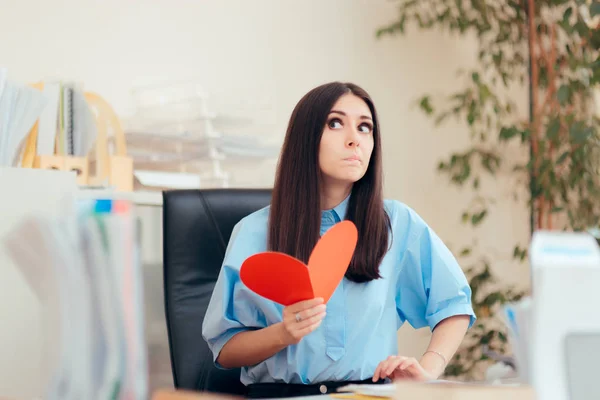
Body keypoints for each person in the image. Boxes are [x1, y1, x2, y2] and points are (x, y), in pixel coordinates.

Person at [202, 81, 476, 398]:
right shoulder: (253, 231)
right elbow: (224, 349)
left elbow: (453, 304)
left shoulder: (397, 223)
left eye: (365, 128)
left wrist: (428, 369)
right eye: (336, 123)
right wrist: (283, 334)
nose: (354, 140)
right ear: (306, 137)